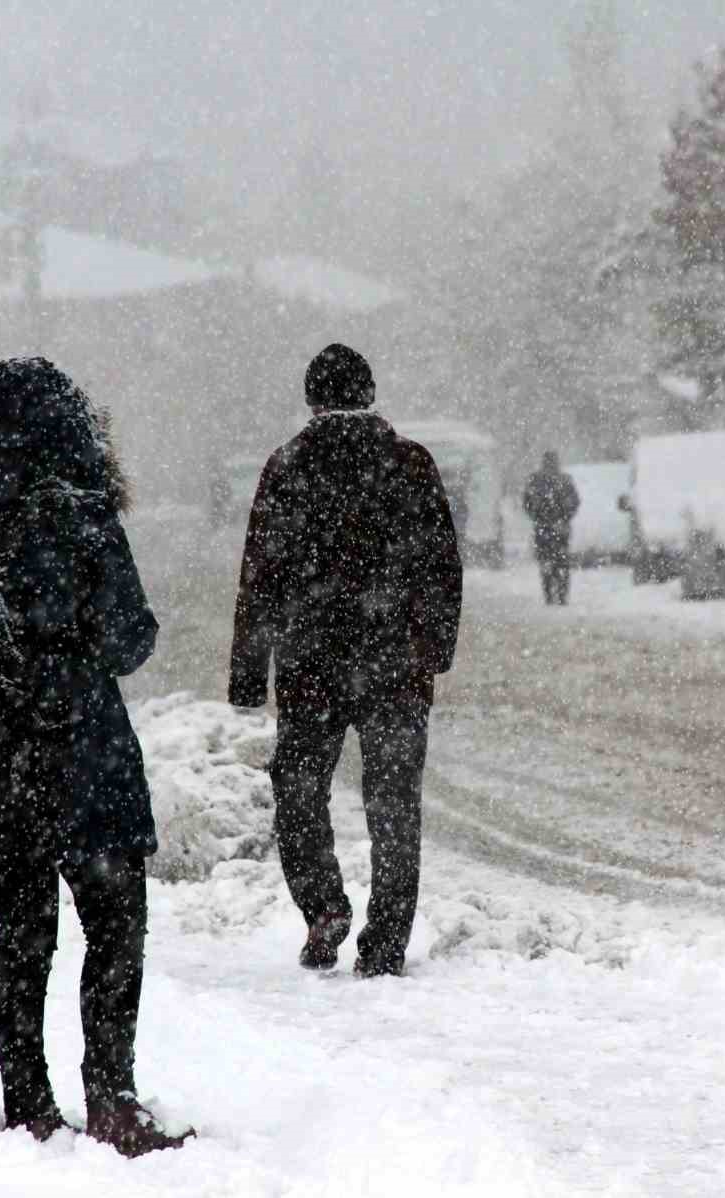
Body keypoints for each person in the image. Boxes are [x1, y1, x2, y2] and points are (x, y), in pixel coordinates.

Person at [0, 357, 191, 1157]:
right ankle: (113, 1098)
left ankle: (28, 1105)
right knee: (115, 930)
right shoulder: (82, 516)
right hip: (83, 759)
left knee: (21, 939)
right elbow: (130, 639)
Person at [228, 343, 463, 979]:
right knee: (393, 804)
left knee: (299, 793)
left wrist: (251, 672)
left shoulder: (286, 466)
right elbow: (442, 566)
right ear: (369, 394)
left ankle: (324, 907)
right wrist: (433, 648)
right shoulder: (411, 463)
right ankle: (386, 941)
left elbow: (261, 575)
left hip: (312, 667)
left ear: (312, 399)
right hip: (395, 667)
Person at [522, 450, 580, 605]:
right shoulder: (564, 480)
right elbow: (575, 502)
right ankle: (561, 594)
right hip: (559, 527)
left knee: (546, 561)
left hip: (544, 527)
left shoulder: (535, 480)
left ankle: (550, 593)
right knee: (560, 561)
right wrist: (565, 518)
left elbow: (526, 503)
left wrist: (537, 517)